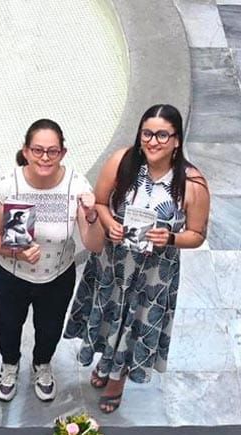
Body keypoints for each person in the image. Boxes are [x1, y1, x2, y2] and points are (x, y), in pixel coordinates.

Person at [64, 104, 210, 413]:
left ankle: (118, 378)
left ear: (177, 140)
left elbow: (197, 234)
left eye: (162, 135)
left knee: (136, 323)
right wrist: (109, 223)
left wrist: (170, 237)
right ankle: (105, 361)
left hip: (154, 273)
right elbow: (101, 202)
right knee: (107, 316)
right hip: (113, 263)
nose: (153, 142)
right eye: (147, 133)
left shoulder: (192, 183)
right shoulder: (123, 161)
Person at [0, 119, 104, 402]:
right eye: (38, 150)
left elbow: (93, 243)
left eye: (52, 151)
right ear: (25, 151)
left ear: (63, 153)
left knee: (50, 328)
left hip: (56, 277)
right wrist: (15, 251)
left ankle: (42, 364)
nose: (45, 158)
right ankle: (10, 365)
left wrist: (92, 215)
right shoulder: (7, 186)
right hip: (10, 276)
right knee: (8, 325)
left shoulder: (76, 186)